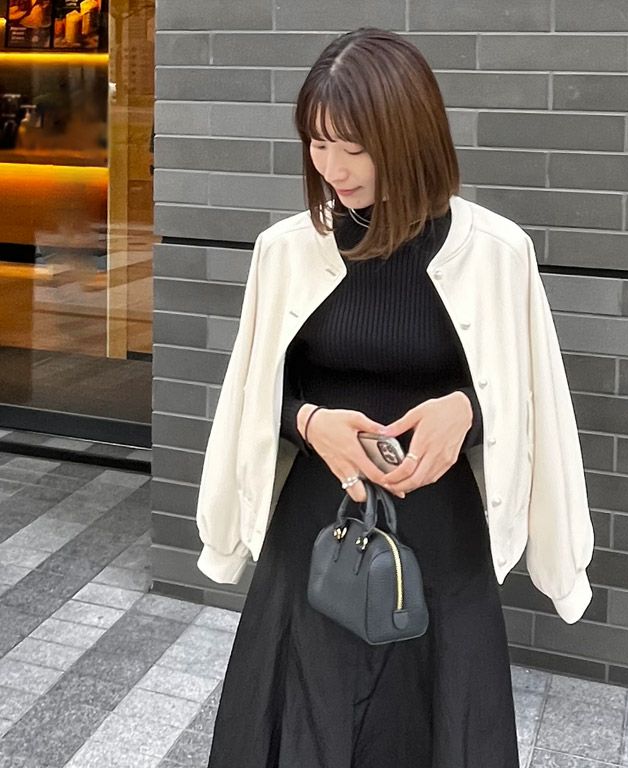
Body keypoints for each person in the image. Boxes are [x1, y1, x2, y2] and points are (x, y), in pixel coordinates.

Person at [196, 28, 595, 768]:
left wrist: (468, 410)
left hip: (442, 537)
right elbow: (254, 393)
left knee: (437, 723)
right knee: (304, 716)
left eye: (353, 147)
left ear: (409, 136)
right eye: (318, 144)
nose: (332, 168)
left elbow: (535, 399)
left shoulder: (497, 251)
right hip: (318, 527)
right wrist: (309, 421)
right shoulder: (286, 249)